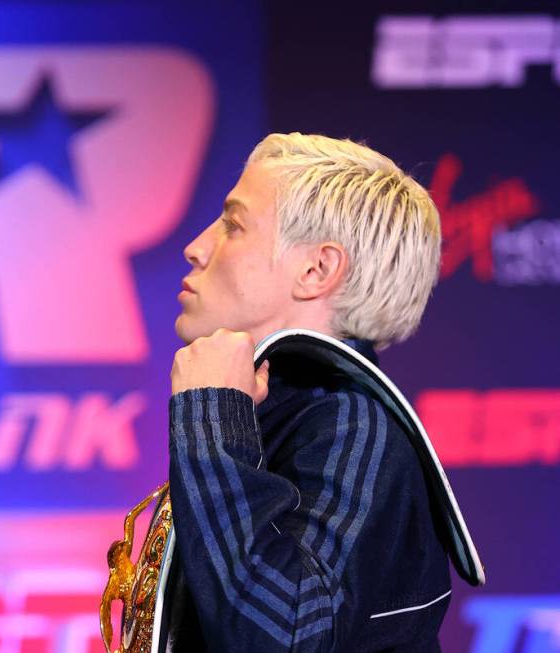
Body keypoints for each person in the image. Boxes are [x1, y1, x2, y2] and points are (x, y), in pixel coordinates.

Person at [101, 133, 483, 652]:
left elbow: (284, 637)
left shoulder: (350, 424)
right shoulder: (283, 409)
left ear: (316, 271)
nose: (196, 246)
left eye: (233, 225)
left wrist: (212, 418)